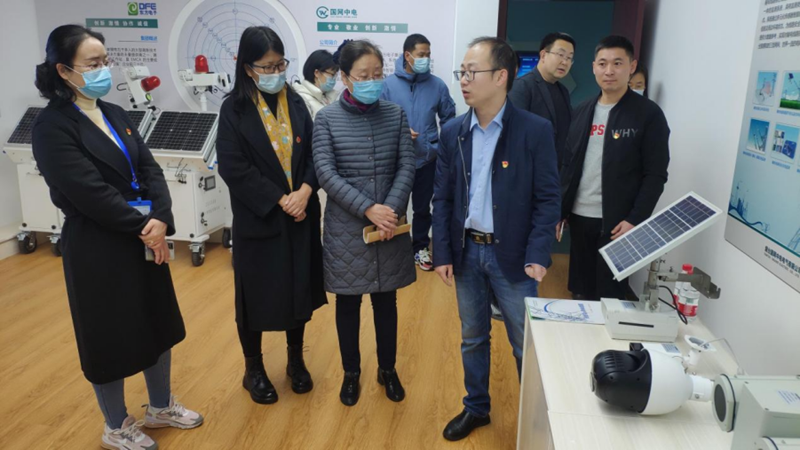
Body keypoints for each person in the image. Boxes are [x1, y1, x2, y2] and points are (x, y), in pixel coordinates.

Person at [32, 24, 202, 450]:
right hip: (98, 244)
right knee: (109, 334)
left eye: (105, 62)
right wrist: (144, 227)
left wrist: (160, 218)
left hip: (144, 236)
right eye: (93, 64)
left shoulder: (113, 112)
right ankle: (116, 425)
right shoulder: (51, 126)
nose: (103, 70)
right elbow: (87, 191)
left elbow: (149, 168)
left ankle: (160, 406)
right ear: (64, 70)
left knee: (156, 321)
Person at [432, 36, 561, 441]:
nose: (463, 80)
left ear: (501, 76)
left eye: (472, 72)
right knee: (473, 338)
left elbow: (547, 198)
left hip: (515, 255)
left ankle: (538, 419)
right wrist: (442, 252)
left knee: (525, 343)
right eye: (461, 72)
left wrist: (539, 252)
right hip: (467, 251)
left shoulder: (534, 131)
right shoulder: (454, 131)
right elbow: (442, 198)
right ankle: (476, 408)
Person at [217, 26, 326, 405]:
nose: (276, 72)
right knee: (255, 296)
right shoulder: (233, 109)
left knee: (298, 289)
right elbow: (233, 167)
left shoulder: (294, 100)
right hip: (260, 217)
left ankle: (296, 361)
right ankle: (254, 369)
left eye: (280, 64)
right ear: (248, 68)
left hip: (300, 213)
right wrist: (281, 199)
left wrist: (306, 191)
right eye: (267, 66)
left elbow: (315, 153)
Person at [312, 39, 416, 407]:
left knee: (387, 301)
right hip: (347, 228)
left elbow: (407, 164)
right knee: (348, 303)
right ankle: (351, 373)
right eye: (363, 75)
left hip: (389, 224)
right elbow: (326, 173)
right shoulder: (327, 119)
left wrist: (390, 209)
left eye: (377, 74)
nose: (372, 81)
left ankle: (387, 369)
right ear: (344, 77)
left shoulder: (395, 114)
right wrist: (369, 208)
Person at [559, 36, 670, 301]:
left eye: (617, 63)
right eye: (602, 63)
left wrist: (635, 218)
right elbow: (567, 165)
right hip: (580, 217)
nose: (609, 71)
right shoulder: (582, 110)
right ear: (593, 67)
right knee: (581, 293)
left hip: (618, 223)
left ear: (632, 66)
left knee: (611, 297)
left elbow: (655, 175)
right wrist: (560, 210)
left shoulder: (648, 114)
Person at [381, 33, 456, 271]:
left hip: (427, 159)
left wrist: (440, 146)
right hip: (396, 161)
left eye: (428, 55)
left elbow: (449, 119)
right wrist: (399, 131)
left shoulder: (437, 85)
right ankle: (394, 250)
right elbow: (377, 120)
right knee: (394, 208)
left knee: (423, 209)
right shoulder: (387, 85)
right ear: (407, 55)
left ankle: (420, 248)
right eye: (421, 54)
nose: (426, 59)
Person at [508, 32, 575, 170]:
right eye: (560, 55)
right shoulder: (522, 86)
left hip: (557, 172)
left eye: (569, 58)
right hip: (530, 170)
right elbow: (514, 135)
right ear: (543, 55)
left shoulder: (563, 91)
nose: (565, 62)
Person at [292, 49, 340, 120]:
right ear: (317, 73)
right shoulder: (301, 98)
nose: (334, 79)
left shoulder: (328, 97)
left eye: (335, 75)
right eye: (332, 74)